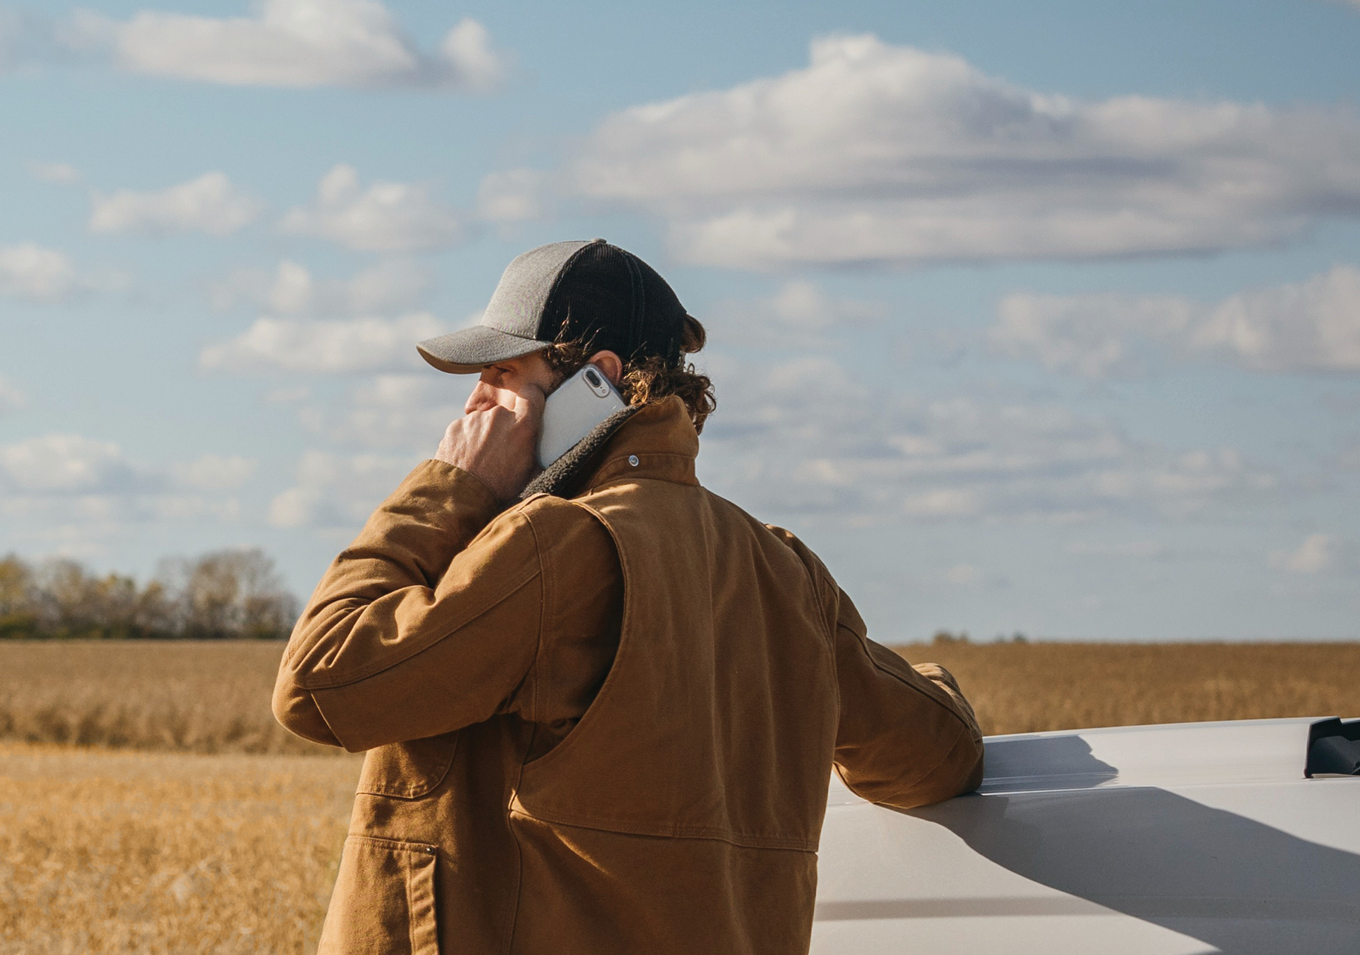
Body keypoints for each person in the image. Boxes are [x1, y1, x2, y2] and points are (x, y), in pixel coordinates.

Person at [272, 238, 986, 955]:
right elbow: (940, 754)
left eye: (499, 374)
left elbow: (318, 679)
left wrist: (452, 485)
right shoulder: (785, 573)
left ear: (598, 378)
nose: (471, 405)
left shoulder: (549, 545)